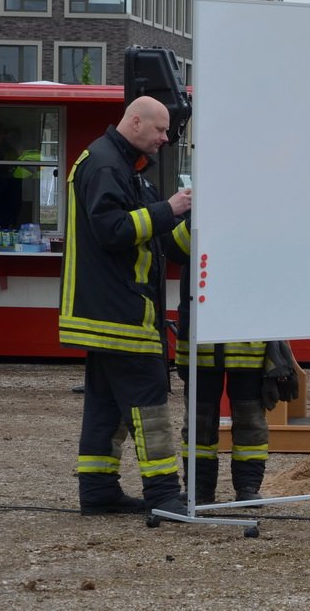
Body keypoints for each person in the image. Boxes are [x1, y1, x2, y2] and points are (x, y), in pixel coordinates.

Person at [59, 96, 191, 516]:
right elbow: (111, 230)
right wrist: (167, 208)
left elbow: (163, 243)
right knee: (149, 402)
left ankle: (97, 491)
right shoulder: (104, 165)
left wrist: (190, 222)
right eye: (160, 130)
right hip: (121, 316)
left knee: (106, 405)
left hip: (112, 315)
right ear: (135, 122)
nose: (165, 139)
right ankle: (165, 495)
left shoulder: (126, 169)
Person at [165, 217, 270, 504]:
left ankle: (247, 489)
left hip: (246, 336)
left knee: (250, 419)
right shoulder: (201, 212)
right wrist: (200, 213)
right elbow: (173, 248)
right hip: (201, 336)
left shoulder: (260, 216)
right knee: (199, 420)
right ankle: (200, 491)